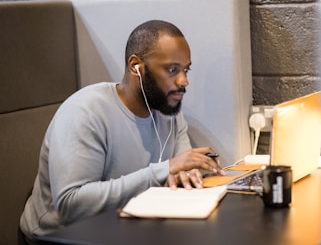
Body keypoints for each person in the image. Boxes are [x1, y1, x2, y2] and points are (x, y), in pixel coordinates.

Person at [19, 20, 225, 244]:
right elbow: (71, 205)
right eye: (172, 69)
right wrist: (163, 170)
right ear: (136, 66)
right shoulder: (85, 112)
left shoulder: (169, 112)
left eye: (186, 69)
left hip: (127, 231)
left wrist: (191, 173)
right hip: (61, 238)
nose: (184, 81)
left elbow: (181, 171)